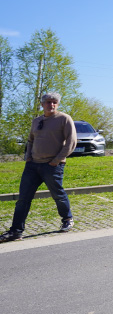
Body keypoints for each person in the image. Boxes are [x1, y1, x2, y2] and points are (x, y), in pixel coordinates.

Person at [0, 92, 77, 243]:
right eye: (48, 102)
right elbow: (30, 140)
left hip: (52, 166)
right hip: (32, 166)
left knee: (58, 194)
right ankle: (16, 231)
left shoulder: (64, 119)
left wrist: (57, 160)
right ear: (42, 104)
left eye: (55, 102)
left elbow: (71, 141)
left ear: (58, 104)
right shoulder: (36, 121)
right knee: (23, 199)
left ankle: (67, 219)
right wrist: (28, 157)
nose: (52, 104)